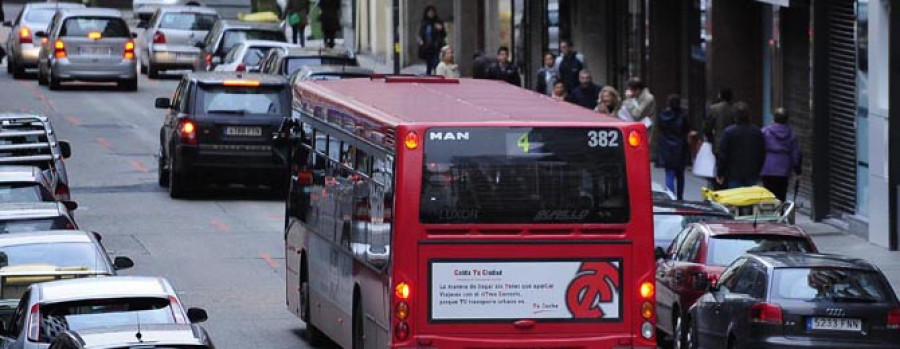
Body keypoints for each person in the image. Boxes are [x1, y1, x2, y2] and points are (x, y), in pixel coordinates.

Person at [716, 102, 766, 189]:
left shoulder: (729, 132)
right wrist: (759, 169)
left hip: (733, 173)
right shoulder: (757, 132)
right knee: (750, 199)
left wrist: (720, 172)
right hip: (752, 172)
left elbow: (723, 155)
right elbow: (762, 152)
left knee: (736, 199)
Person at [761, 108, 802, 202]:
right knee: (781, 195)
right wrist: (797, 170)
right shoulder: (791, 134)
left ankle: (770, 214)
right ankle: (780, 214)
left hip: (768, 168)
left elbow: (759, 149)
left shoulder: (765, 132)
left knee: (768, 195)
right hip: (784, 169)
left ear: (774, 118)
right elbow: (796, 154)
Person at [657, 95, 690, 200]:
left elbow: (660, 128)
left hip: (667, 147)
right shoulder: (683, 115)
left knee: (669, 173)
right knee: (680, 175)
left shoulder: (662, 115)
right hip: (680, 147)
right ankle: (680, 196)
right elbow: (686, 129)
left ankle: (670, 196)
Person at [623, 78, 657, 159]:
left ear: (637, 90)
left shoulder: (648, 98)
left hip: (645, 128)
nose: (629, 92)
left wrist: (629, 100)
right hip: (635, 127)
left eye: (631, 90)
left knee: (642, 152)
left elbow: (637, 114)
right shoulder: (636, 97)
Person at [704, 87, 736, 156]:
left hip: (718, 143)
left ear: (720, 96)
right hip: (733, 144)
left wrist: (711, 140)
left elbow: (707, 127)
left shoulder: (714, 109)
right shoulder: (734, 109)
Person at [417, 5, 446, 75]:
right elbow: (420, 34)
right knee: (429, 65)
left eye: (432, 12)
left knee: (436, 63)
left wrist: (441, 29)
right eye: (429, 12)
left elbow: (444, 34)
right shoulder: (424, 23)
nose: (431, 14)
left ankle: (437, 76)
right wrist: (420, 40)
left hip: (436, 47)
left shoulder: (438, 22)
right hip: (427, 48)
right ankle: (429, 77)